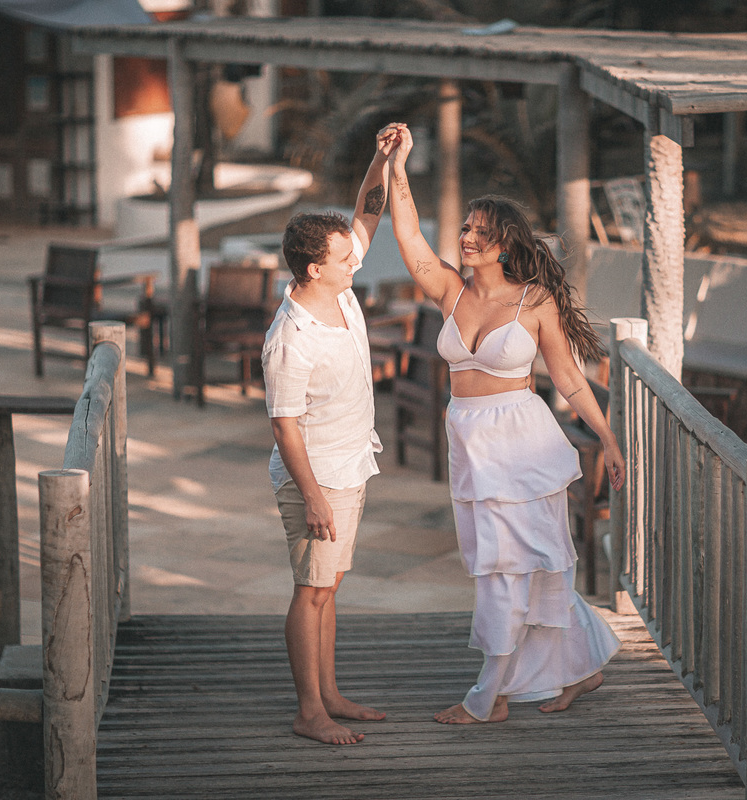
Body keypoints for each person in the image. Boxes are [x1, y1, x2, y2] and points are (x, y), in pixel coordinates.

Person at [379, 121, 627, 724]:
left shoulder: (533, 301)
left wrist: (608, 438)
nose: (468, 237)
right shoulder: (450, 291)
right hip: (470, 437)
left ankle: (487, 699)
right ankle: (583, 668)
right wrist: (398, 165)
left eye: (481, 232)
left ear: (506, 244)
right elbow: (408, 234)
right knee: (521, 564)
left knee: (511, 567)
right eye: (466, 227)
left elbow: (568, 379)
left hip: (522, 442)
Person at [262, 133, 395, 744]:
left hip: (350, 463)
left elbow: (368, 209)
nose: (356, 263)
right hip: (316, 476)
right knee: (311, 590)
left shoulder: (336, 290)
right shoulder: (292, 338)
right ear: (314, 268)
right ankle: (307, 712)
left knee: (329, 586)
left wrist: (384, 160)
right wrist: (312, 495)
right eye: (345, 259)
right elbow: (284, 424)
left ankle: (331, 694)